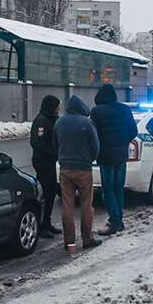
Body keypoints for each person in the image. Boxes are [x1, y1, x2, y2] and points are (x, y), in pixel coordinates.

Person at [53, 95, 102, 252]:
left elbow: (55, 144)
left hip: (65, 169)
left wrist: (62, 158)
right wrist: (90, 159)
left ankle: (69, 243)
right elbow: (95, 147)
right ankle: (87, 239)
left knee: (67, 206)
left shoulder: (59, 122)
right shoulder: (87, 123)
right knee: (86, 205)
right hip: (83, 169)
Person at [90, 84, 138, 235]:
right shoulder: (124, 109)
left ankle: (115, 221)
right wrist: (122, 143)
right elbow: (133, 131)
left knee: (108, 190)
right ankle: (119, 220)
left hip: (105, 156)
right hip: (121, 155)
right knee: (118, 188)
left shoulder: (96, 111)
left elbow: (93, 135)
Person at [29, 95, 62, 239]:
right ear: (51, 106)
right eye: (57, 106)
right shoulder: (41, 121)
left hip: (50, 162)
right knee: (46, 193)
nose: (59, 108)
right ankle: (42, 225)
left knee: (51, 192)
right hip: (42, 162)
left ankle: (47, 223)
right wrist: (54, 152)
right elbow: (37, 142)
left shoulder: (51, 119)